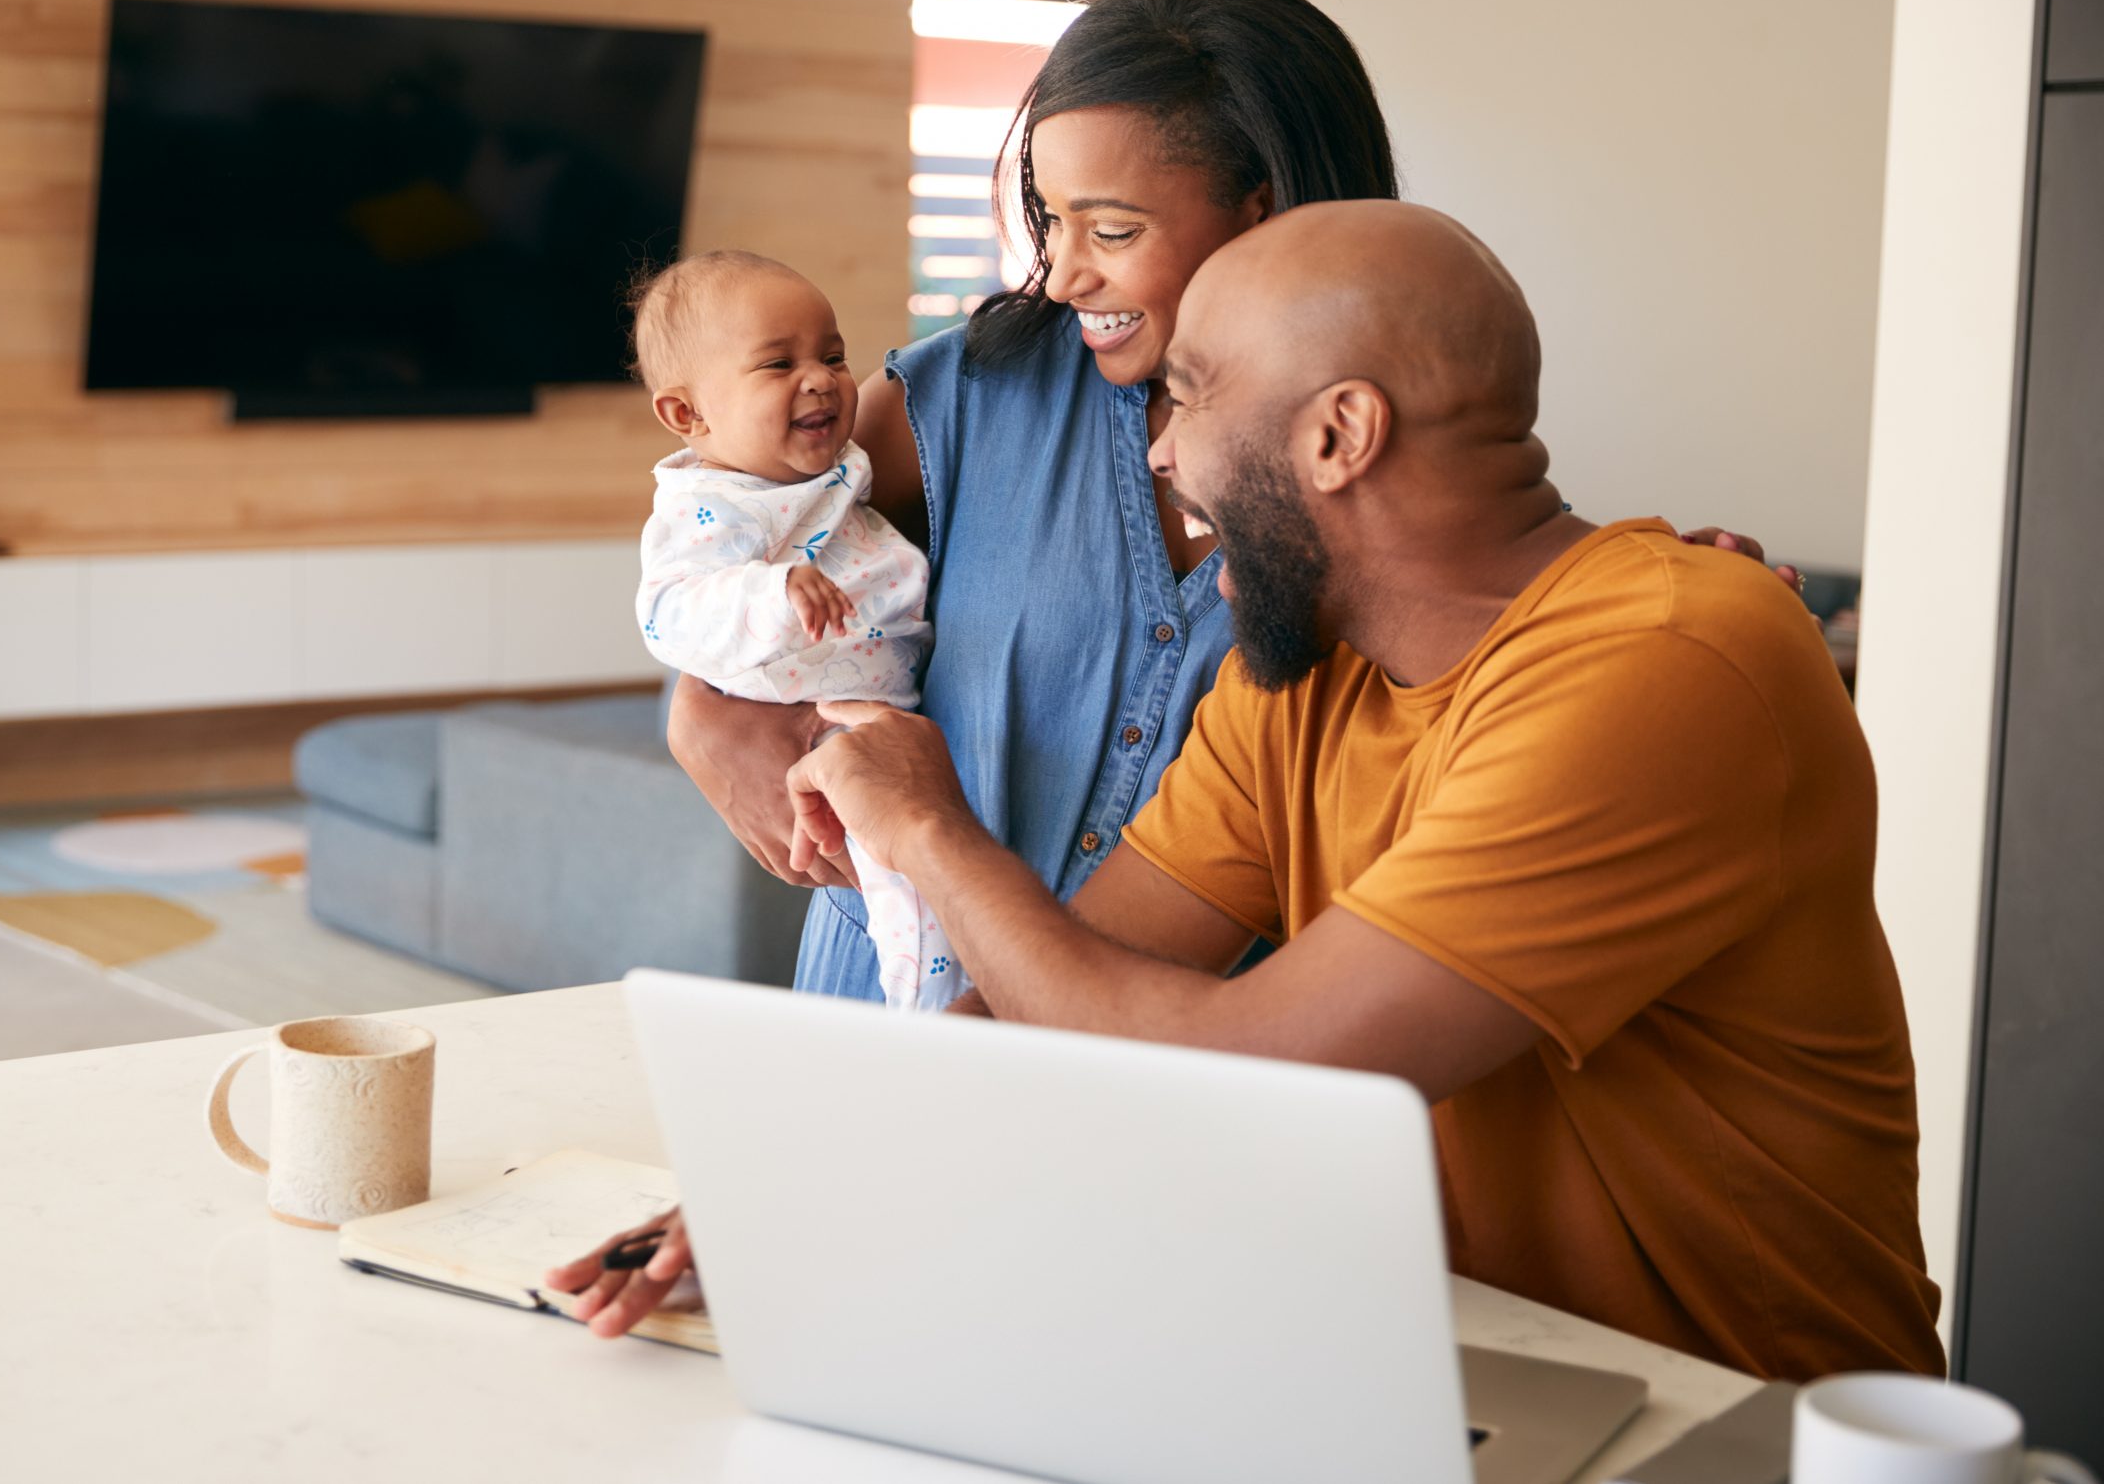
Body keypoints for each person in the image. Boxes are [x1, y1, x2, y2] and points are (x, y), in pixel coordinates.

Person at [552, 203, 1941, 1384]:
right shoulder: (1305, 681)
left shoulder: (1666, 659)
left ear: (1339, 434)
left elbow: (1246, 1070)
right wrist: (797, 1182)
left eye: (1193, 394)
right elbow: (1073, 998)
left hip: (1721, 1413)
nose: (1159, 450)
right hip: (1434, 1368)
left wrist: (926, 824)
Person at [662, 0, 1797, 1005]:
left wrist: (1645, 603)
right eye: (1049, 217)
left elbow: (1475, 606)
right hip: (909, 1009)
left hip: (1216, 1036)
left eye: (1112, 226)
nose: (1059, 271)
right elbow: (739, 533)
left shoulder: (1370, 452)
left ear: (1259, 205)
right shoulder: (966, 396)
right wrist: (700, 706)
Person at [629, 251, 955, 1008]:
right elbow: (669, 612)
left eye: (833, 355)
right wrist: (772, 592)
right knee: (905, 869)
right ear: (689, 415)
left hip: (887, 707)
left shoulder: (830, 475)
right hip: (818, 725)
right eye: (778, 364)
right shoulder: (710, 506)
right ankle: (928, 1010)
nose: (821, 377)